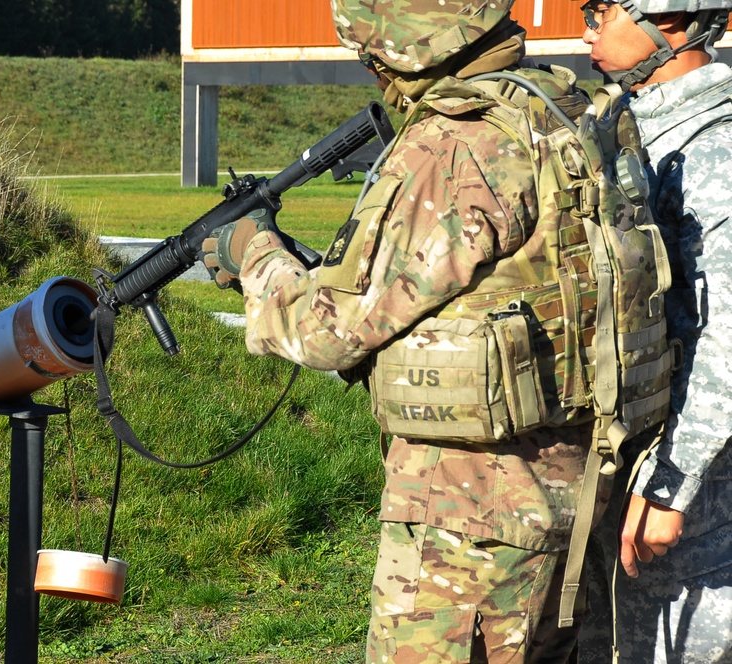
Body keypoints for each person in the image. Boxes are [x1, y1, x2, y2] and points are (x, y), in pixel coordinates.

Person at [198, 0, 662, 660]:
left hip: (470, 523)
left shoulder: (454, 146)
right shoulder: (568, 110)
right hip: (578, 494)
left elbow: (326, 331)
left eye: (372, 55)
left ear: (407, 49)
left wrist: (255, 255)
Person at [575, 1, 732, 662]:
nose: (585, 29)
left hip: (698, 494)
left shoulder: (714, 146)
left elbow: (725, 333)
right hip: (630, 463)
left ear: (668, 21)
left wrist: (672, 485)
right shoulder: (628, 129)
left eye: (600, 10)